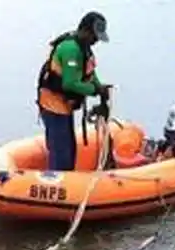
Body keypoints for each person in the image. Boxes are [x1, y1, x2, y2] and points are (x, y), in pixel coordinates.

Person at [36, 11, 113, 172]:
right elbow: (70, 84)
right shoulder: (71, 49)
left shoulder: (84, 48)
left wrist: (100, 86)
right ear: (86, 30)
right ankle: (56, 186)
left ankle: (67, 184)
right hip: (52, 107)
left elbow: (90, 72)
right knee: (61, 154)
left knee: (70, 152)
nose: (97, 40)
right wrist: (94, 90)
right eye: (95, 35)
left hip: (64, 107)